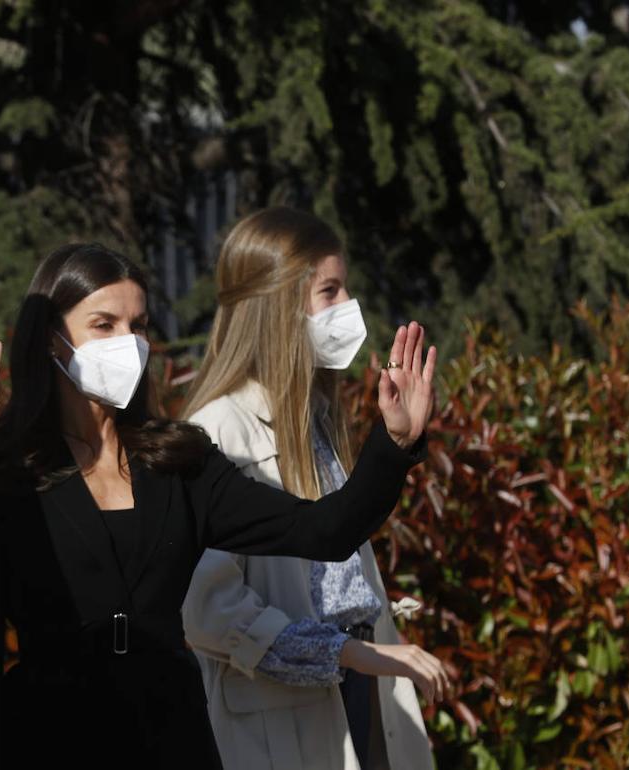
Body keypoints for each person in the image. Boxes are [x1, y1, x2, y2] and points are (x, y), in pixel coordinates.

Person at [0, 243, 446, 770]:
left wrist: (393, 446)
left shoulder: (179, 460)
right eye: (103, 324)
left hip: (173, 739)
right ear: (52, 338)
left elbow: (323, 531)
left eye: (137, 326)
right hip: (48, 739)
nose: (127, 343)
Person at [180, 207, 439, 770]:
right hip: (282, 724)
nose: (348, 308)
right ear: (277, 304)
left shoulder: (318, 418)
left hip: (361, 697)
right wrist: (347, 653)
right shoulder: (217, 429)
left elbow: (339, 545)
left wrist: (396, 443)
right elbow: (208, 611)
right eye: (330, 291)